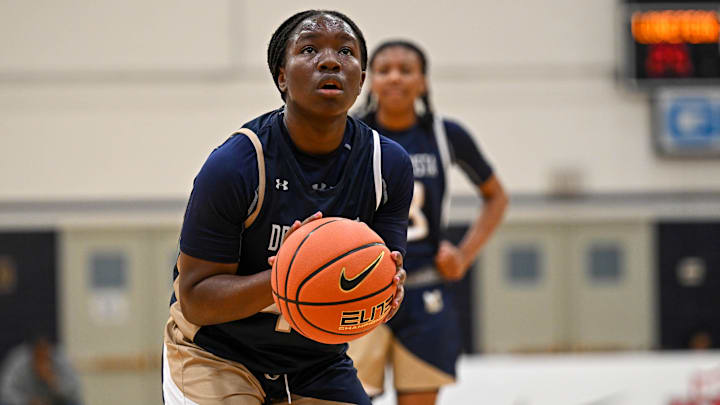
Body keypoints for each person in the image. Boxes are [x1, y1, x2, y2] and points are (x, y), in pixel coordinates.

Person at [162, 10, 414, 405]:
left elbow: (379, 277)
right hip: (216, 354)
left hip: (317, 362)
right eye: (310, 49)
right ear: (281, 76)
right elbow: (195, 298)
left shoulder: (388, 165)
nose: (330, 61)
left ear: (361, 80)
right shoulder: (237, 164)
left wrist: (383, 294)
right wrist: (288, 276)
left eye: (346, 52)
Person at [348, 40, 509, 405]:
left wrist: (465, 255)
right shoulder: (348, 133)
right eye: (384, 70)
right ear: (369, 81)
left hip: (424, 288)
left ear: (423, 82)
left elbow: (497, 196)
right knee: (348, 398)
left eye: (406, 70)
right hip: (358, 288)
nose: (394, 78)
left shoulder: (444, 134)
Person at [0, 336, 83, 405]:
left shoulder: (60, 358)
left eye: (45, 354)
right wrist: (27, 401)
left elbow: (75, 390)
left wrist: (54, 382)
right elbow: (5, 391)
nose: (43, 360)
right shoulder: (19, 360)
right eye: (38, 355)